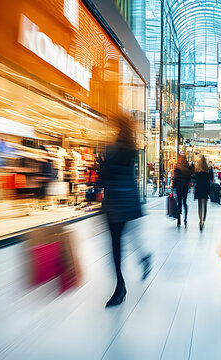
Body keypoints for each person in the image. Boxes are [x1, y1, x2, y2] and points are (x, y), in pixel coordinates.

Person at [98, 112, 152, 307]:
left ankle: (120, 286)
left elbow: (106, 176)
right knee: (128, 237)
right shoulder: (132, 147)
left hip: (115, 201)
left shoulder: (112, 147)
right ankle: (144, 258)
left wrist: (101, 166)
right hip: (129, 200)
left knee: (115, 244)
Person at [173, 154, 192, 228]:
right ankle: (185, 218)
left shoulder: (177, 168)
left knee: (179, 203)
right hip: (185, 187)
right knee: (184, 202)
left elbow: (175, 178)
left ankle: (178, 219)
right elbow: (190, 176)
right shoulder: (187, 168)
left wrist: (173, 187)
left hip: (178, 187)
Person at [194, 156, 210, 231]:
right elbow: (209, 181)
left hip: (199, 189)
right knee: (205, 204)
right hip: (205, 189)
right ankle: (204, 219)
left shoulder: (197, 171)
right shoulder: (208, 171)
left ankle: (200, 221)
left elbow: (195, 180)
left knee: (199, 205)